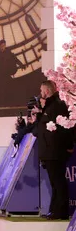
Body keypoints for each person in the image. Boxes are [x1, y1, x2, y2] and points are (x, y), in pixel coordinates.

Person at [36, 80, 74, 220]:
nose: (40, 94)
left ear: (46, 91)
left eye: (41, 91)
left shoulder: (57, 105)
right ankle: (55, 210)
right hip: (49, 150)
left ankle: (61, 212)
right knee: (54, 182)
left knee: (58, 182)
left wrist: (69, 145)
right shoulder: (49, 105)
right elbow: (40, 127)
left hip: (55, 150)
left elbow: (65, 128)